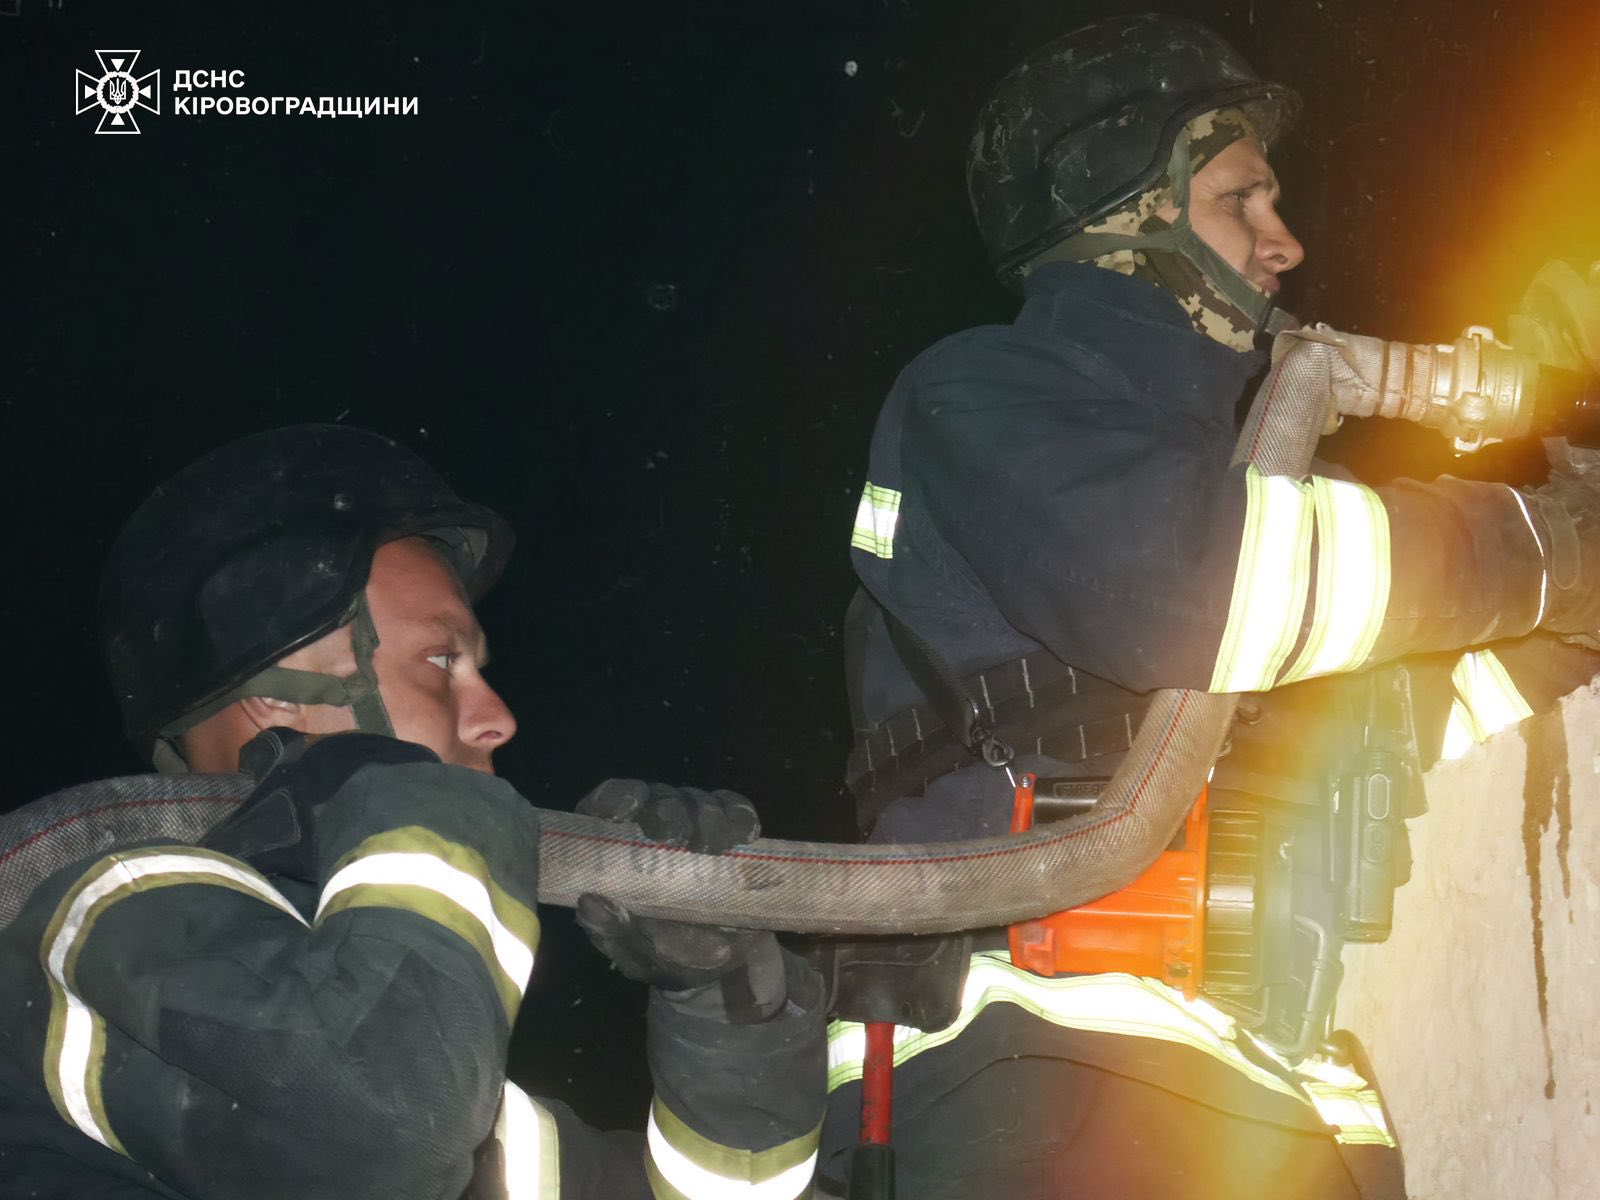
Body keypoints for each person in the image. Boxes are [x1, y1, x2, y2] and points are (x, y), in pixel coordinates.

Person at [820, 14, 1600, 1200]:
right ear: (1124, 214)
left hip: (1265, 1110)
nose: (1286, 242)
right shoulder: (983, 398)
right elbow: (1202, 589)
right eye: (1243, 198)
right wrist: (1544, 551)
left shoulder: (1260, 495)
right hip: (1043, 1085)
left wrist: (1568, 605)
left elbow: (1407, 725)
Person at [0, 424, 826, 1200]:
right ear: (279, 699)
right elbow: (383, 1125)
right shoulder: (90, 924)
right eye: (441, 661)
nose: (497, 717)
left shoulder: (398, 1033)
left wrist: (724, 1006)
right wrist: (407, 793)